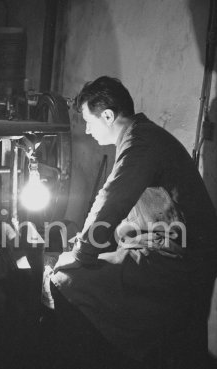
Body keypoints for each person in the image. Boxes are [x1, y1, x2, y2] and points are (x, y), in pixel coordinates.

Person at [48, 76, 217, 368]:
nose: (87, 131)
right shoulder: (142, 136)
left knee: (65, 281)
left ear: (108, 115)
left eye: (89, 121)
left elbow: (110, 200)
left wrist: (80, 253)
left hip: (179, 257)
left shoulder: (141, 143)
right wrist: (90, 243)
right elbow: (126, 211)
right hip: (175, 246)